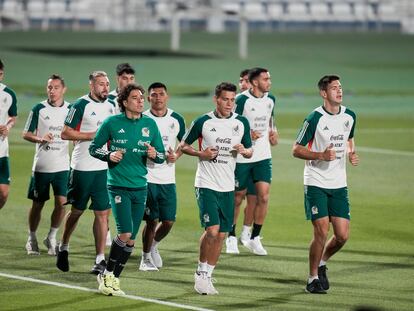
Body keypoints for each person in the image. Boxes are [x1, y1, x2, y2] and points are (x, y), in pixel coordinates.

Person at [89, 83, 165, 296]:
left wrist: (154, 155)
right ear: (124, 102)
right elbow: (93, 147)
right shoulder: (112, 123)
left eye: (142, 97)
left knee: (131, 240)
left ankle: (113, 278)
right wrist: (108, 156)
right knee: (125, 233)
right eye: (135, 98)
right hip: (118, 186)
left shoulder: (150, 124)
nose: (141, 101)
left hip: (140, 186)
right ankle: (106, 274)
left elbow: (160, 155)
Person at [181, 82, 252, 295]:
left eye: (232, 100)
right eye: (225, 99)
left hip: (227, 186)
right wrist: (200, 154)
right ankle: (200, 272)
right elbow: (183, 145)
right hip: (206, 184)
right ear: (216, 99)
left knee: (221, 234)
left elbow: (249, 151)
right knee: (211, 230)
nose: (230, 104)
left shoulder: (241, 123)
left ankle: (208, 275)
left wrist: (244, 151)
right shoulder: (203, 121)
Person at [292, 74, 359, 294]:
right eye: (334, 88)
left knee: (342, 236)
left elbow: (349, 137)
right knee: (321, 230)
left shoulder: (349, 115)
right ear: (324, 93)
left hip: (339, 183)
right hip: (316, 182)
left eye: (340, 87)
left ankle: (322, 262)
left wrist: (351, 152)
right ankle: (312, 279)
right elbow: (296, 149)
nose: (339, 91)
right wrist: (320, 154)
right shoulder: (314, 118)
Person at [56, 71, 115, 274]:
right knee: (77, 211)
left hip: (104, 168)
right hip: (82, 168)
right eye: (101, 84)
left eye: (107, 84)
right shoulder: (80, 105)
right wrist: (93, 135)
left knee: (102, 214)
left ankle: (100, 259)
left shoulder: (112, 106)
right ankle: (63, 246)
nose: (105, 88)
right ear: (91, 85)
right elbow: (65, 133)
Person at [139, 82, 186, 271]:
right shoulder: (142, 119)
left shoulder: (176, 119)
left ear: (167, 96)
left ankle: (153, 246)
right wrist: (146, 153)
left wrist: (176, 155)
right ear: (149, 98)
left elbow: (184, 143)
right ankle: (145, 258)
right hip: (147, 177)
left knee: (169, 221)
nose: (158, 98)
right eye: (154, 95)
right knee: (152, 220)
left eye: (161, 94)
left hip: (168, 178)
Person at [232, 67, 278, 256]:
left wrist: (274, 134)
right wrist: (247, 134)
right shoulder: (241, 100)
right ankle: (230, 236)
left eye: (269, 78)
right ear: (255, 82)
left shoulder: (271, 100)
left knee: (263, 196)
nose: (269, 82)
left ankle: (254, 237)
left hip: (263, 156)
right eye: (266, 79)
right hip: (243, 157)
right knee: (237, 197)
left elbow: (270, 123)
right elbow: (230, 123)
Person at [23, 74, 70, 256]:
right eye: (50, 87)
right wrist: (40, 138)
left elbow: (75, 132)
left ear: (63, 89)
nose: (52, 91)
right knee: (38, 203)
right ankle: (31, 237)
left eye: (56, 87)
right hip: (42, 166)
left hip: (63, 166)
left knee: (62, 203)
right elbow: (26, 133)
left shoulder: (70, 110)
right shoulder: (39, 109)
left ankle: (51, 236)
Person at [0, 59, 17, 211]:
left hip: (2, 152)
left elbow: (13, 117)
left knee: (3, 193)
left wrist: (8, 126)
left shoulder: (8, 94)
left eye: (1, 74)